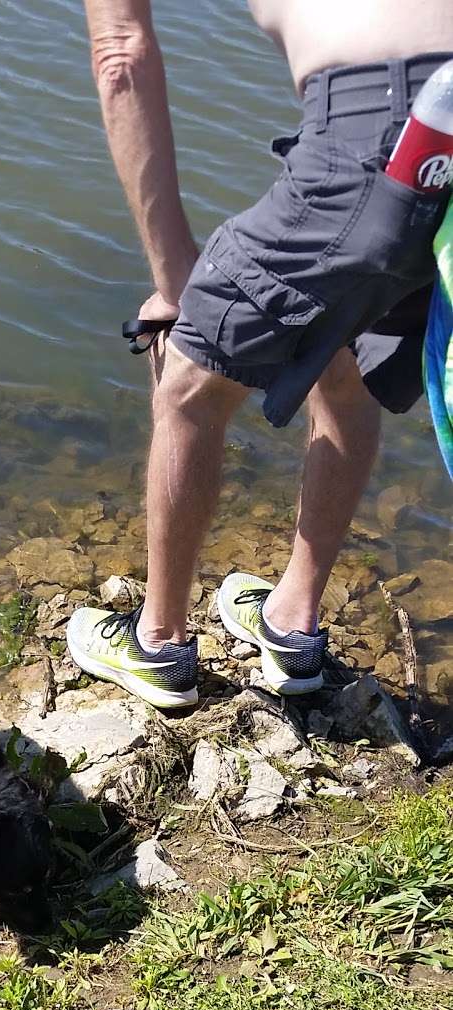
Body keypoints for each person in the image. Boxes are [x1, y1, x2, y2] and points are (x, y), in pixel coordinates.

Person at [67, 1, 453, 708]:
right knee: (351, 369)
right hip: (436, 124)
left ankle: (160, 645)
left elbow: (119, 53)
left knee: (186, 377)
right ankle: (291, 626)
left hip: (387, 120)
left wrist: (172, 280)